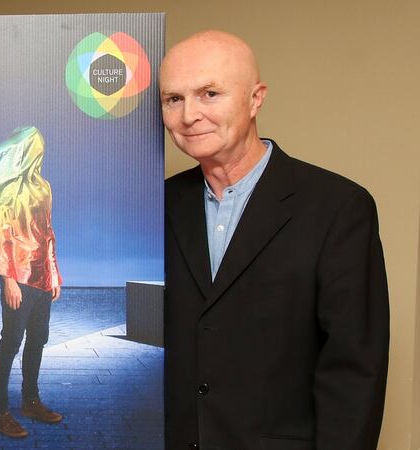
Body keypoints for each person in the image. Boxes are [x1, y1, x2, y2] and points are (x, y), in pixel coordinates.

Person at [160, 31, 389, 449]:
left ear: (255, 99)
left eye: (209, 94)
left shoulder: (338, 207)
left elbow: (355, 371)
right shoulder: (156, 205)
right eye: (174, 99)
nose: (189, 115)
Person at [0, 276, 63, 438]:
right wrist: (8, 281)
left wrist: (54, 277)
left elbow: (49, 255)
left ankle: (31, 402)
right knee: (11, 342)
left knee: (38, 339)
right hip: (18, 278)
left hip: (43, 280)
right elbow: (0, 256)